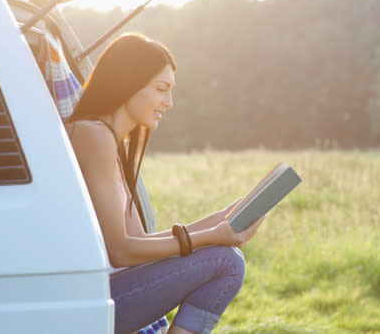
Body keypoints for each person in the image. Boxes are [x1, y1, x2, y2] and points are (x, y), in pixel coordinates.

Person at [65, 33, 264, 334]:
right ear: (128, 84)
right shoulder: (94, 136)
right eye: (161, 89)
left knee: (228, 259)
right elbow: (120, 251)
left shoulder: (112, 145)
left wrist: (222, 220)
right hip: (84, 303)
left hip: (104, 292)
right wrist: (211, 237)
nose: (169, 103)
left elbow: (136, 241)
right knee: (226, 262)